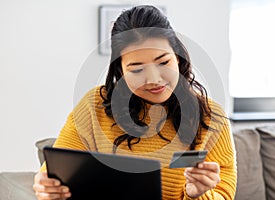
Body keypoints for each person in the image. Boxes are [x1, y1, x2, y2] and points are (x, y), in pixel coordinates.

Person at [33, 5, 237, 200]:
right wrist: (47, 186)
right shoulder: (94, 105)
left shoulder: (212, 117)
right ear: (120, 71)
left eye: (164, 62)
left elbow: (225, 193)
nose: (154, 79)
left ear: (178, 56)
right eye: (137, 70)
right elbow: (57, 170)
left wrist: (198, 194)